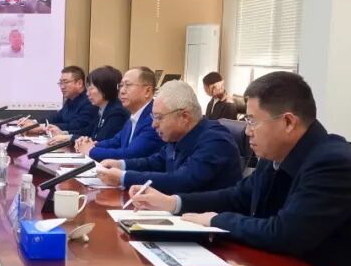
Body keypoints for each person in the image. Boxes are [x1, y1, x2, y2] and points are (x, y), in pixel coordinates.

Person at [130, 72, 351, 266]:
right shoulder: (275, 156)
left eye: (252, 121)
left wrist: (215, 220)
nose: (247, 130)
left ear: (288, 122)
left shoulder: (333, 164)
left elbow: (284, 234)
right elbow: (238, 196)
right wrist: (173, 203)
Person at [91, 80, 242, 193]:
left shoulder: (215, 141)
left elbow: (182, 180)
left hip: (207, 221)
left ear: (184, 116)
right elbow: (156, 162)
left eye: (159, 117)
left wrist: (124, 177)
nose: (153, 124)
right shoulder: (178, 136)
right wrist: (121, 165)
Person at [76, 66, 162, 162]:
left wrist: (91, 150)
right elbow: (115, 141)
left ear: (147, 91)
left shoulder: (154, 118)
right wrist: (89, 144)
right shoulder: (134, 115)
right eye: (121, 86)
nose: (122, 91)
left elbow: (131, 154)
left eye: (128, 85)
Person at [62, 66, 128, 146]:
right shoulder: (102, 109)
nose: (87, 93)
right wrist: (65, 134)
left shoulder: (116, 113)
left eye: (91, 89)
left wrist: (69, 137)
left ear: (105, 89)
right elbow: (88, 131)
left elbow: (100, 141)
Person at [22, 66, 94, 138]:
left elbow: (75, 126)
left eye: (66, 82)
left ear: (79, 83)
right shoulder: (70, 99)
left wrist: (43, 127)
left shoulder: (89, 101)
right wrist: (34, 122)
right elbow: (57, 117)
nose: (62, 87)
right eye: (61, 83)